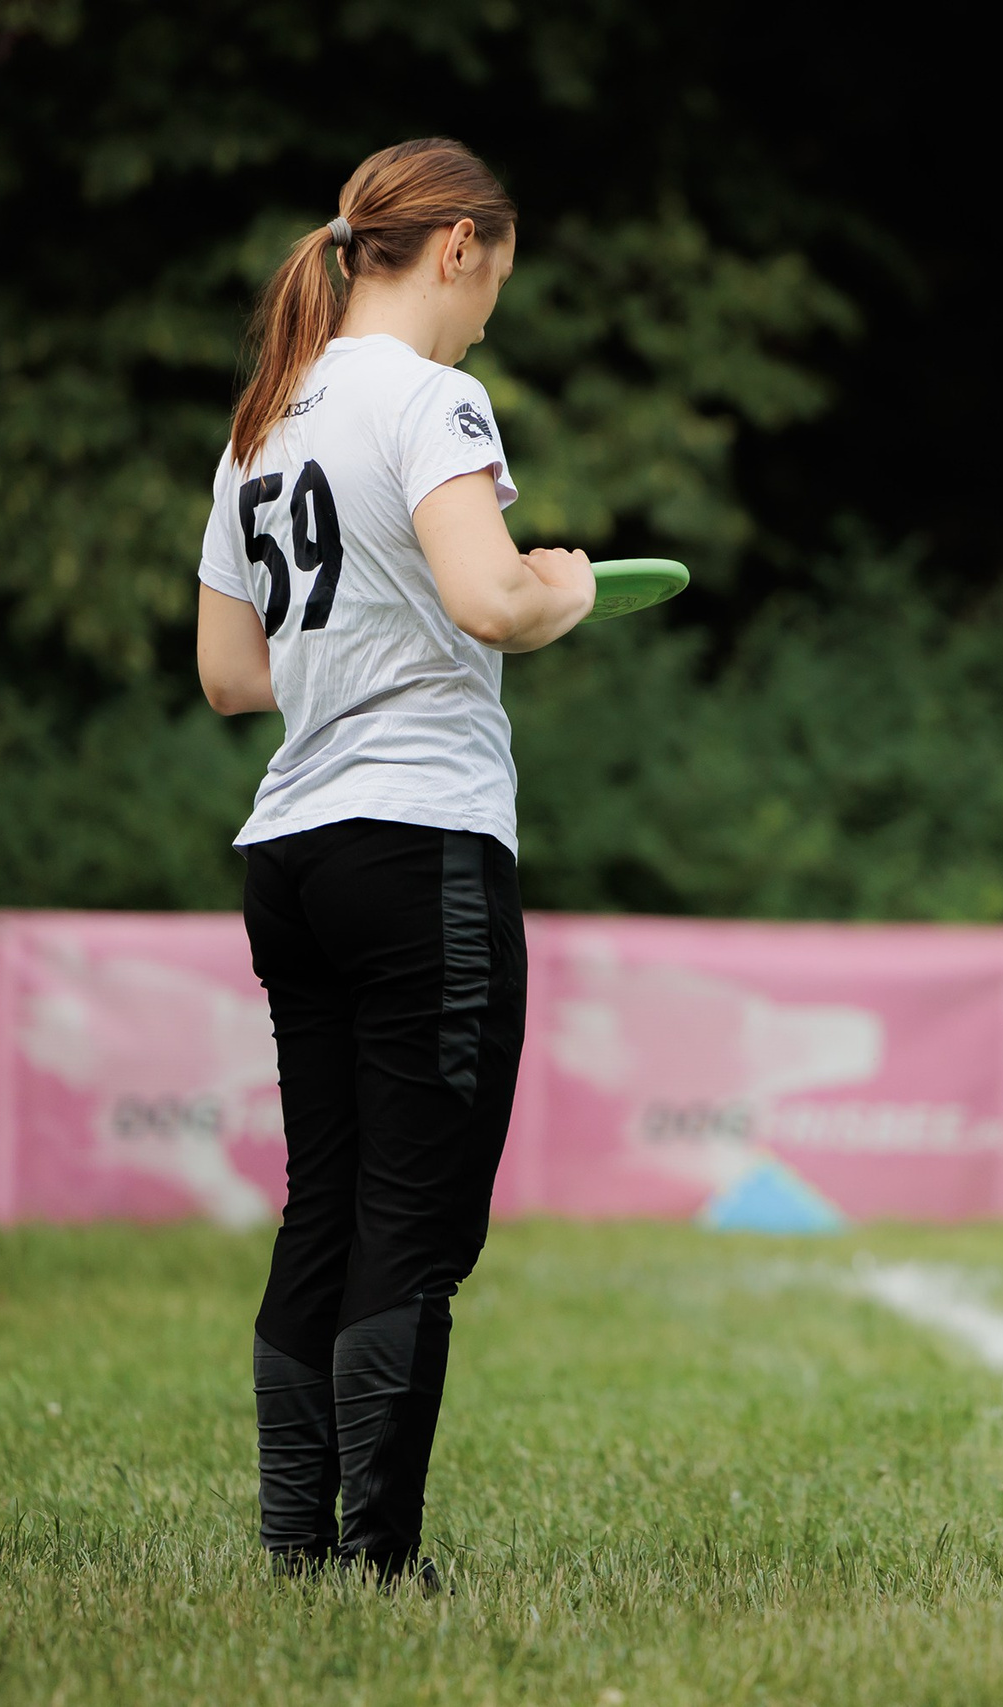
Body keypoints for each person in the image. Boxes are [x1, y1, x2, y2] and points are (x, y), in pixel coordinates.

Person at [195, 138, 599, 1584]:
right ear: (460, 247)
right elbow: (491, 598)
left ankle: (297, 1547)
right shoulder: (437, 398)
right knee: (414, 1219)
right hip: (419, 839)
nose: (493, 303)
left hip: (292, 851)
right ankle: (380, 1562)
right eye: (498, 272)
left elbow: (229, 670)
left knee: (328, 1197)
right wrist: (567, 587)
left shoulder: (266, 414)